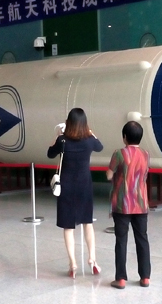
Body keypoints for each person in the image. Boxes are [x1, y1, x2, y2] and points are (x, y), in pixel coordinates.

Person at [47, 108, 104, 278]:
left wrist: (57, 136)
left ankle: (73, 264)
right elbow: (100, 146)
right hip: (84, 185)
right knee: (88, 223)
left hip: (66, 185)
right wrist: (91, 133)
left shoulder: (63, 141)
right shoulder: (89, 141)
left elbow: (50, 154)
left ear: (68, 123)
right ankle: (92, 259)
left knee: (68, 226)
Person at [106, 121, 151, 289]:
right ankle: (145, 277)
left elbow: (109, 175)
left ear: (124, 137)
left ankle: (121, 279)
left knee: (121, 241)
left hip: (122, 204)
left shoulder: (119, 154)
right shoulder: (146, 154)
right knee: (142, 239)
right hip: (141, 203)